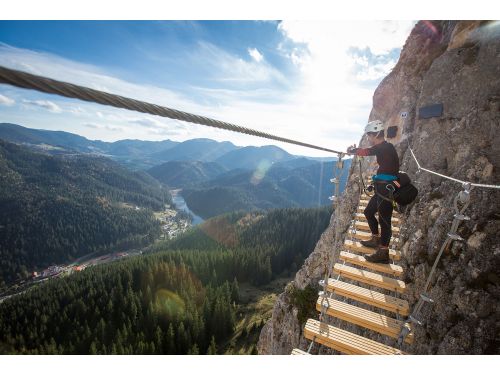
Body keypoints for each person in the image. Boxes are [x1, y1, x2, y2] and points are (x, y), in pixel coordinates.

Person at [346, 120, 399, 264]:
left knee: (384, 220)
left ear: (376, 134)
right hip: (382, 187)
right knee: (369, 212)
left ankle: (383, 252)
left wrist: (353, 151)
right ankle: (376, 238)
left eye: (369, 135)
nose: (368, 137)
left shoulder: (384, 147)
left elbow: (368, 151)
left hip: (387, 188)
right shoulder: (385, 148)